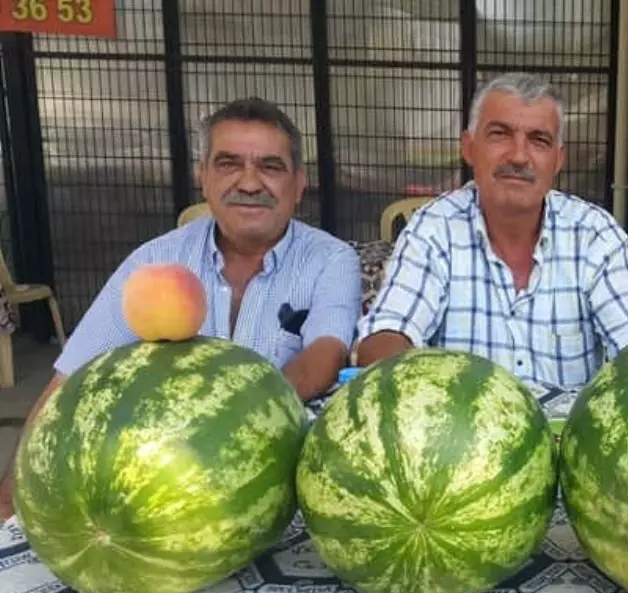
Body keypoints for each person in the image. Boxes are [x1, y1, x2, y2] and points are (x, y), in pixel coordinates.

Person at [0, 97, 361, 521]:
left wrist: (229, 424)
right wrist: (12, 494)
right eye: (228, 164)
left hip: (278, 472)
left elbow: (326, 352)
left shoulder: (331, 259)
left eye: (270, 166)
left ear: (299, 184)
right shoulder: (154, 265)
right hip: (160, 479)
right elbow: (71, 379)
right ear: (202, 177)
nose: (249, 183)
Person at [356, 72, 628, 388]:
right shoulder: (434, 229)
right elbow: (386, 334)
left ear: (558, 161)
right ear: (469, 147)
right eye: (500, 134)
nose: (518, 156)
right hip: (462, 432)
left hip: (568, 434)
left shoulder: (593, 235)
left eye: (538, 140)